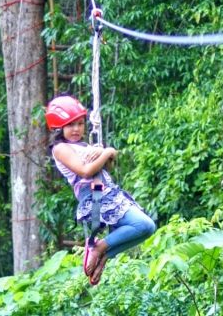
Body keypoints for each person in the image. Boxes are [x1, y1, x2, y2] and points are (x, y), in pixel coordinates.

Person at [45, 95, 156, 285]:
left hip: (109, 191)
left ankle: (104, 255)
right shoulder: (60, 148)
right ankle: (98, 248)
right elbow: (86, 171)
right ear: (58, 128)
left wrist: (106, 154)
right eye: (71, 125)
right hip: (96, 196)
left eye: (80, 124)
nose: (77, 129)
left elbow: (106, 168)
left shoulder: (83, 145)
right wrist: (107, 152)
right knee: (143, 225)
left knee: (148, 229)